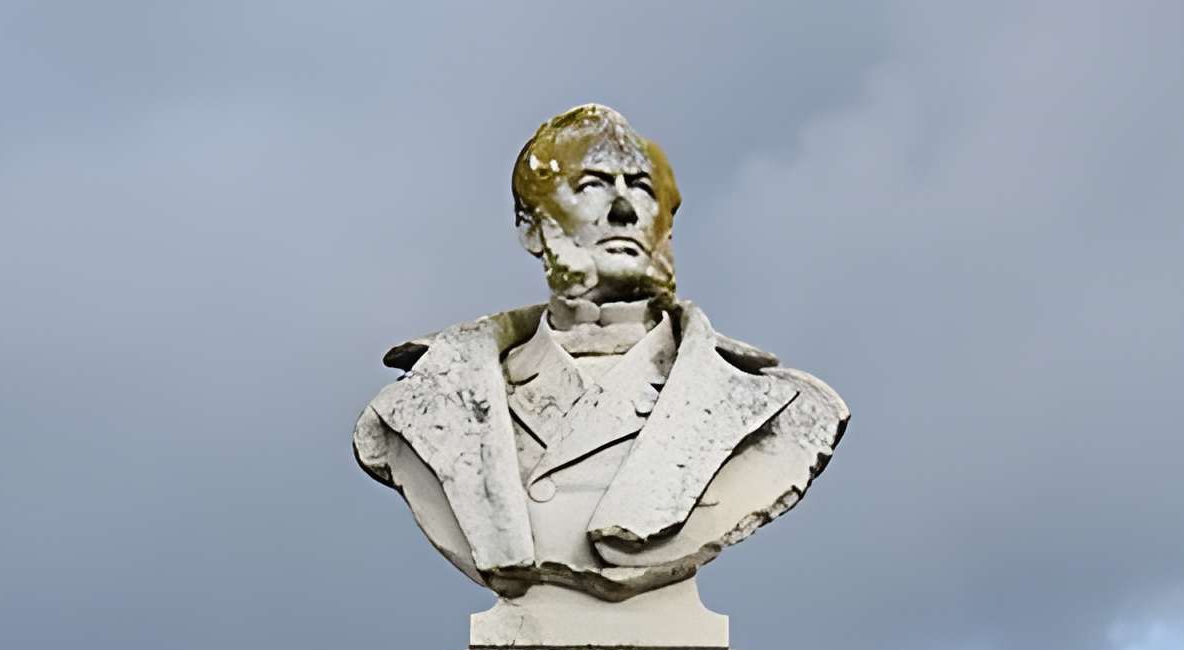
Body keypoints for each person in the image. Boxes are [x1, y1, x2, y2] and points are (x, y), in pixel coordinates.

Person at [353, 105, 847, 618]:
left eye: (641, 188)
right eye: (592, 185)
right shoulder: (430, 402)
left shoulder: (779, 409)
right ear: (531, 229)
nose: (624, 211)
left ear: (665, 227)